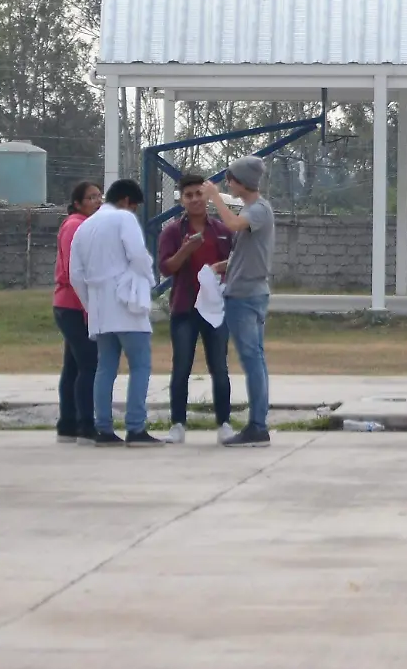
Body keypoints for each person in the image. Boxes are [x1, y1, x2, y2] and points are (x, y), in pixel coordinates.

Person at [70, 178, 160, 448]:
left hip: (99, 306)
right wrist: (149, 282)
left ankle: (104, 429)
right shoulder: (123, 218)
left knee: (105, 367)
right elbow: (138, 254)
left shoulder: (84, 226)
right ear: (125, 201)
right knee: (140, 364)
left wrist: (90, 303)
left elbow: (76, 275)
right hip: (126, 301)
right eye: (134, 207)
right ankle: (135, 427)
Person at [203, 155, 276, 449]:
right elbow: (247, 250)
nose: (228, 184)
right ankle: (257, 424)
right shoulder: (253, 210)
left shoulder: (258, 209)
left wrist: (214, 197)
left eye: (230, 179)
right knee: (254, 359)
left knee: (252, 360)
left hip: (246, 296)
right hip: (243, 291)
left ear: (242, 182)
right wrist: (225, 265)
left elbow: (232, 224)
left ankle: (258, 426)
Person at [158, 174, 236, 445]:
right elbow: (167, 267)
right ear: (181, 200)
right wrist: (186, 250)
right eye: (188, 195)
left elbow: (238, 259)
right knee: (181, 367)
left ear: (207, 196)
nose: (194, 199)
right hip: (184, 308)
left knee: (219, 367)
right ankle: (178, 423)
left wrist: (221, 267)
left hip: (215, 309)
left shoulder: (222, 229)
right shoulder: (172, 231)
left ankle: (224, 423)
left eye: (199, 194)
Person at [53, 181, 102, 446]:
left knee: (73, 366)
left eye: (99, 196)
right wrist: (88, 307)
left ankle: (67, 424)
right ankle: (85, 424)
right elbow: (76, 270)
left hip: (73, 303)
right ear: (78, 203)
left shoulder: (84, 224)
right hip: (73, 304)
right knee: (88, 363)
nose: (97, 201)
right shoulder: (76, 225)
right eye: (91, 197)